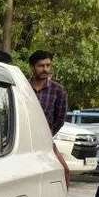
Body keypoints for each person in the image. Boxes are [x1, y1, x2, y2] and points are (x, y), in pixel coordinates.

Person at [28, 50, 71, 187]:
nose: (45, 69)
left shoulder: (58, 90)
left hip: (44, 141)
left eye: (48, 65)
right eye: (41, 66)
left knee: (65, 172)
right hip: (21, 140)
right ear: (32, 67)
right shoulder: (23, 87)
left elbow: (60, 119)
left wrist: (46, 136)